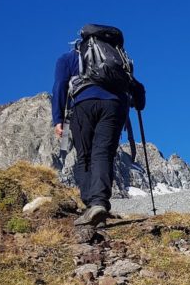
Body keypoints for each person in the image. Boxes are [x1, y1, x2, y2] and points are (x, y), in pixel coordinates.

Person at [52, 25, 144, 227]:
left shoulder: (69, 58)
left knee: (85, 155)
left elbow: (60, 86)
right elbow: (137, 89)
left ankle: (91, 206)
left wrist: (58, 118)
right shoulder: (118, 60)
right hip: (115, 106)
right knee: (104, 152)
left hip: (84, 104)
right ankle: (100, 202)